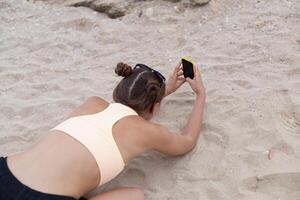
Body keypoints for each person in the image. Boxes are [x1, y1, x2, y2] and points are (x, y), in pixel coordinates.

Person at [0, 61, 206, 200]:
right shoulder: (147, 131)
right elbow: (187, 142)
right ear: (155, 107)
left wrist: (162, 92)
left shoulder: (92, 104)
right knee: (134, 196)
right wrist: (200, 95)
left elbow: (125, 108)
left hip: (5, 173)